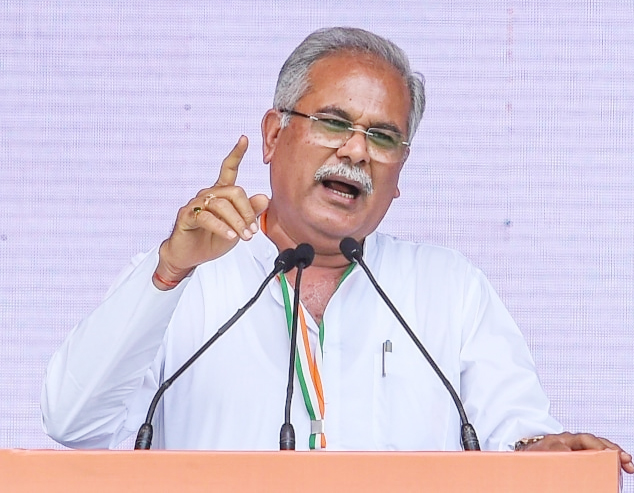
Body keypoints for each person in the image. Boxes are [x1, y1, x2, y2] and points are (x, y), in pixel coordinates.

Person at [42, 27, 632, 471]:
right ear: (274, 135)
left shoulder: (448, 289)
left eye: (383, 136)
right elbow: (74, 423)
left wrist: (544, 450)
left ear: (399, 173)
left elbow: (518, 436)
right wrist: (170, 272)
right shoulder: (185, 279)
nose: (355, 151)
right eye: (333, 122)